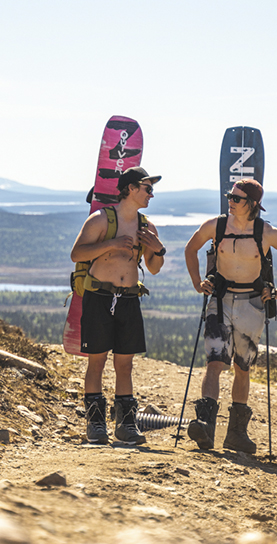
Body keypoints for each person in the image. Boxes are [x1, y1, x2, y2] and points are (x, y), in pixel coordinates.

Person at [183, 179, 277, 453]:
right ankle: (205, 425)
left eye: (236, 198)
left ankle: (236, 434)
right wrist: (196, 281)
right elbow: (190, 249)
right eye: (230, 196)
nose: (230, 201)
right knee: (215, 360)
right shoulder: (216, 225)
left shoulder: (266, 232)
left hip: (252, 303)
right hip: (221, 300)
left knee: (242, 366)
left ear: (252, 204)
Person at [70, 166, 166, 445]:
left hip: (128, 299)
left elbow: (154, 268)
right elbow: (77, 253)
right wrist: (111, 243)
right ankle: (96, 424)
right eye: (147, 188)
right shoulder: (100, 220)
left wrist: (157, 249)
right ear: (131, 189)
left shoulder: (147, 226)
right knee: (97, 362)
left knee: (125, 365)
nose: (151, 194)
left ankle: (125, 425)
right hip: (99, 296)